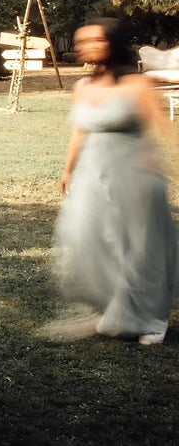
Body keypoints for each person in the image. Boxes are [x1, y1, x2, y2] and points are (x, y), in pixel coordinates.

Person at [54, 17, 178, 344]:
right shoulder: (83, 87)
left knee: (139, 248)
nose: (85, 47)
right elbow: (79, 130)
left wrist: (161, 162)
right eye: (81, 42)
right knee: (86, 237)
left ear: (113, 43)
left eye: (94, 40)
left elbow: (164, 128)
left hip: (134, 174)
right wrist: (68, 170)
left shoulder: (136, 84)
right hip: (94, 175)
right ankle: (120, 306)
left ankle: (152, 321)